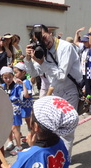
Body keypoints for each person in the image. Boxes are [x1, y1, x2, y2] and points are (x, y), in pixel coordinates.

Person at [24, 24, 82, 157]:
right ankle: (56, 159)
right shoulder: (42, 49)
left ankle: (64, 164)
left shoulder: (65, 47)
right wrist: (28, 59)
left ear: (50, 33)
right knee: (53, 129)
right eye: (40, 40)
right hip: (55, 92)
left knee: (66, 131)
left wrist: (43, 62)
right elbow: (34, 73)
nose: (45, 42)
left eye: (44, 37)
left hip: (69, 91)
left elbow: (61, 75)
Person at [0, 66, 28, 156]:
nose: (8, 79)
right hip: (6, 109)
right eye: (5, 77)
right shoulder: (2, 86)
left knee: (15, 128)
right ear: (2, 77)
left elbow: (25, 96)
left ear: (13, 76)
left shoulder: (17, 86)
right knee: (8, 127)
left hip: (15, 109)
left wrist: (23, 85)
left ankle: (19, 146)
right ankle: (10, 142)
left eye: (10, 77)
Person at [74, 26, 91, 114]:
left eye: (86, 41)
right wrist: (77, 33)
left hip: (90, 73)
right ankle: (83, 106)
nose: (84, 42)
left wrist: (90, 33)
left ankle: (89, 109)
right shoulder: (84, 48)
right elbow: (76, 42)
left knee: (89, 90)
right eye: (83, 41)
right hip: (83, 72)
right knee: (79, 87)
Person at [13, 62, 33, 133]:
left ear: (23, 72)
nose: (15, 74)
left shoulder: (26, 82)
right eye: (14, 73)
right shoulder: (16, 82)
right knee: (18, 119)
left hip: (26, 104)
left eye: (16, 72)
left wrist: (22, 85)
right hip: (19, 104)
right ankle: (19, 133)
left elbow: (27, 95)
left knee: (27, 118)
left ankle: (31, 131)